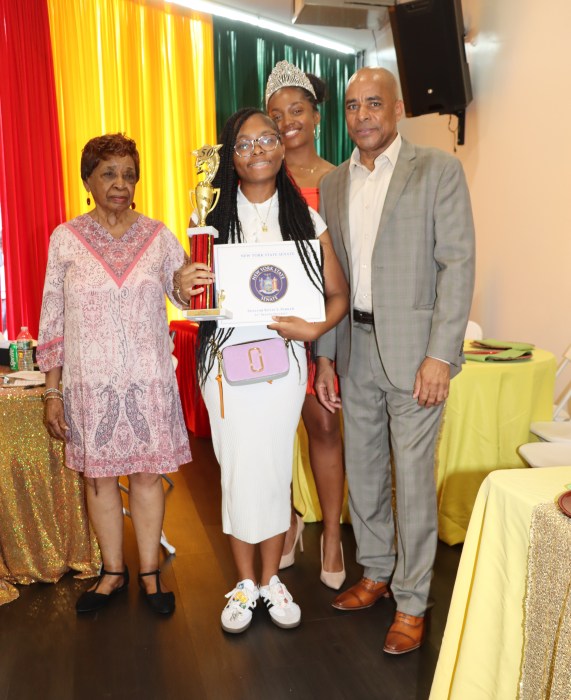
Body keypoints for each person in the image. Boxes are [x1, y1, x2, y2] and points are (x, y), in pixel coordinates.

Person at [315, 67, 475, 654]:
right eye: (353, 106)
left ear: (398, 108)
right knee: (363, 472)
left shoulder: (437, 170)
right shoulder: (334, 183)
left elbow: (456, 265)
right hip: (353, 350)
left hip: (415, 358)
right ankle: (376, 571)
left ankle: (411, 601)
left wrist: (441, 355)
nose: (362, 116)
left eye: (374, 104)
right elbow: (331, 278)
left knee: (411, 480)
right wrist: (326, 359)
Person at [176, 108, 349, 634]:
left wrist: (312, 331)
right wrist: (186, 283)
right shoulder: (211, 218)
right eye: (244, 144)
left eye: (266, 139)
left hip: (283, 361)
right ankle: (245, 584)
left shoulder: (306, 220)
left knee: (273, 466)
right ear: (232, 156)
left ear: (281, 147)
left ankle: (272, 580)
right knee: (236, 467)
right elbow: (195, 298)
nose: (257, 150)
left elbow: (338, 296)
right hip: (225, 365)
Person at [37, 133, 192, 616]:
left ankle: (149, 574)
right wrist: (52, 392)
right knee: (100, 481)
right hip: (89, 385)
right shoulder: (65, 238)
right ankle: (111, 572)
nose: (120, 184)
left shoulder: (159, 235)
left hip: (147, 381)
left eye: (128, 173)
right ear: (88, 180)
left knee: (147, 476)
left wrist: (190, 282)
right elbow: (52, 320)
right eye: (108, 173)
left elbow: (186, 297)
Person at [265, 60, 345, 588]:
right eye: (276, 114)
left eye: (297, 109)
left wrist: (327, 346)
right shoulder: (258, 178)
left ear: (316, 115)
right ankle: (291, 517)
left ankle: (333, 537)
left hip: (324, 325)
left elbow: (347, 265)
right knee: (270, 429)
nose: (287, 121)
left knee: (323, 424)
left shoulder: (339, 180)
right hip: (269, 324)